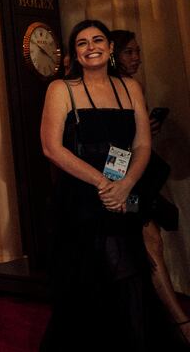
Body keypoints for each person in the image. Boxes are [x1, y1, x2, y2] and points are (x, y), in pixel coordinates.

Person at [39, 19, 176, 351]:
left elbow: (142, 144)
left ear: (110, 47)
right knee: (94, 279)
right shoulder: (61, 90)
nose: (91, 47)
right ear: (75, 53)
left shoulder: (130, 87)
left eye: (98, 39)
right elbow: (51, 148)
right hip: (80, 198)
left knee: (131, 270)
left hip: (124, 193)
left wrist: (126, 184)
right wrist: (104, 184)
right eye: (82, 43)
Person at [110, 29, 190, 345]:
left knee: (147, 243)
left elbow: (133, 139)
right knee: (147, 242)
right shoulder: (115, 88)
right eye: (129, 52)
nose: (137, 58)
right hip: (122, 181)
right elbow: (115, 144)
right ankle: (179, 321)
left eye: (138, 51)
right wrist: (116, 185)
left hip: (134, 179)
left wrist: (145, 134)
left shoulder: (133, 87)